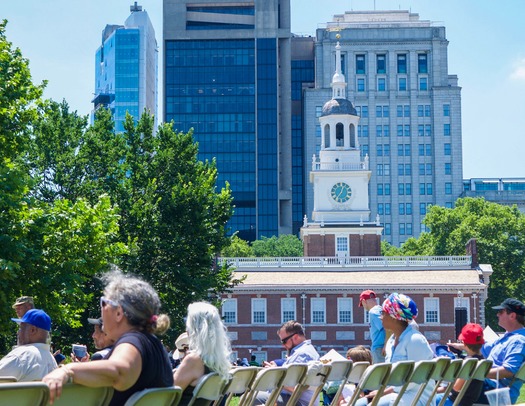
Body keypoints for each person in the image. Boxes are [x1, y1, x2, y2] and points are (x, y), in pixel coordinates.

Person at [43, 270, 173, 405]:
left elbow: (119, 371)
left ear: (118, 313)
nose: (101, 308)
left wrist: (67, 370)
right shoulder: (154, 345)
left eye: (104, 302)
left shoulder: (132, 341)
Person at [354, 293, 434, 406]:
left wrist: (384, 392)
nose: (381, 316)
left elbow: (416, 379)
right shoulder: (391, 341)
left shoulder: (415, 340)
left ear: (395, 317)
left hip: (416, 398)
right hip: (395, 395)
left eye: (383, 313)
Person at [449, 298, 525, 404]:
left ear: (512, 316)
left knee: (448, 377)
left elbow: (509, 370)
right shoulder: (508, 337)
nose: (497, 315)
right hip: (489, 386)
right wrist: (459, 346)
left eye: (500, 312)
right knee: (448, 370)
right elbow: (480, 348)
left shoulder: (518, 341)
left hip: (496, 392)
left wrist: (477, 372)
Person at [173, 302, 232, 406]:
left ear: (193, 330)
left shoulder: (194, 360)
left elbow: (165, 394)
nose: (186, 330)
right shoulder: (220, 362)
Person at [254, 320, 320, 406]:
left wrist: (275, 373)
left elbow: (295, 388)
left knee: (250, 397)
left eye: (284, 341)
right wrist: (276, 369)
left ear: (295, 337)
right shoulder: (308, 350)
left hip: (296, 401)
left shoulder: (301, 354)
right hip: (298, 400)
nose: (282, 345)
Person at [0, 309, 57, 381]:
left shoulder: (21, 356)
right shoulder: (51, 360)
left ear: (33, 330)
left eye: (21, 328)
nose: (18, 332)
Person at [435, 323, 485, 406]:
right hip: (466, 401)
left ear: (463, 341)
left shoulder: (468, 363)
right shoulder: (481, 359)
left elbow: (456, 387)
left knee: (423, 401)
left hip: (455, 402)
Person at [359, 289, 386, 363]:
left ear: (364, 301)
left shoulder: (373, 312)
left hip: (379, 349)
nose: (364, 307)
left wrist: (386, 345)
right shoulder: (381, 309)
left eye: (362, 304)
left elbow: (386, 327)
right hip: (381, 348)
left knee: (381, 373)